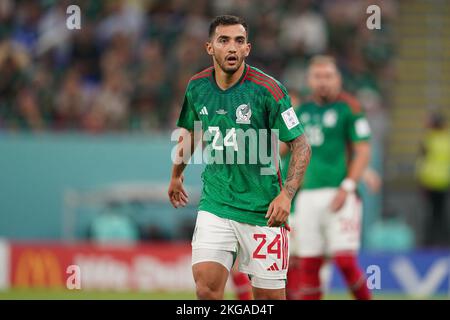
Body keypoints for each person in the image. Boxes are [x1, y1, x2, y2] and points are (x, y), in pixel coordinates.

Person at [168, 15, 311, 300]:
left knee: (268, 300)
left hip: (263, 212)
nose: (232, 48)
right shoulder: (197, 87)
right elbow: (192, 132)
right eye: (224, 40)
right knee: (206, 290)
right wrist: (176, 174)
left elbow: (302, 145)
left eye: (239, 41)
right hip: (216, 204)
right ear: (209, 47)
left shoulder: (268, 89)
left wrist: (286, 195)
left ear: (248, 48)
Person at [282, 56, 372, 300]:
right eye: (318, 77)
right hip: (306, 197)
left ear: (338, 79)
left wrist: (348, 186)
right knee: (309, 263)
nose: (323, 82)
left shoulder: (349, 107)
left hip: (339, 194)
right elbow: (280, 149)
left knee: (343, 260)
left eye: (328, 76)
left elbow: (362, 150)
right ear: (310, 80)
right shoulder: (299, 111)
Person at [416, 113, 450, 247]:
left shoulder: (428, 139)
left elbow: (422, 161)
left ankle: (429, 243)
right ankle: (445, 242)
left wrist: (420, 181)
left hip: (429, 181)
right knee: (443, 213)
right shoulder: (447, 139)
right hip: (445, 181)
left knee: (431, 214)